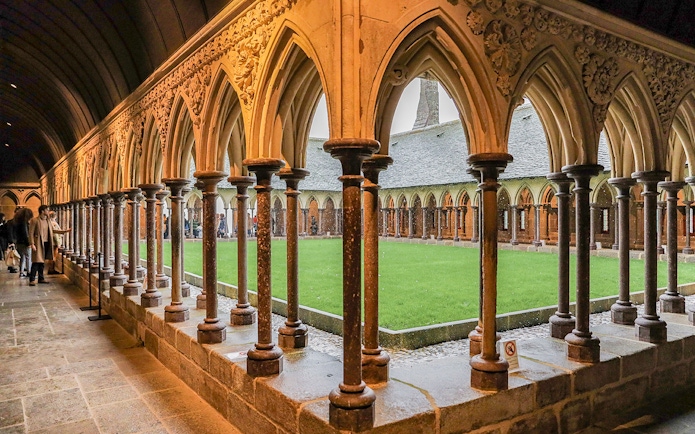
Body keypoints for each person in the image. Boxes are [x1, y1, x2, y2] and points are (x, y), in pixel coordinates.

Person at [28, 205, 55, 286]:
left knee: (42, 262)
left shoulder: (48, 220)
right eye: (47, 210)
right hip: (38, 243)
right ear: (42, 211)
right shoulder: (35, 220)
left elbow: (52, 231)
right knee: (36, 261)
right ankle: (32, 279)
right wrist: (32, 244)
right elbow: (31, 233)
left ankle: (41, 278)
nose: (48, 212)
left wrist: (64, 231)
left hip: (46, 243)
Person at [47, 210, 70, 274]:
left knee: (52, 256)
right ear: (55, 216)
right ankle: (51, 269)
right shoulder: (53, 223)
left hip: (53, 242)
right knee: (54, 256)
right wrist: (58, 243)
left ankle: (51, 268)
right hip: (54, 242)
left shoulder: (50, 222)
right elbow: (55, 233)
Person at [13, 208, 33, 277]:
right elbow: (26, 234)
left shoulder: (17, 222)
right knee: (28, 257)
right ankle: (29, 271)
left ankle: (21, 272)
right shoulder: (24, 223)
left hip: (19, 242)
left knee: (22, 257)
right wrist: (28, 243)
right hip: (24, 242)